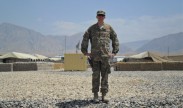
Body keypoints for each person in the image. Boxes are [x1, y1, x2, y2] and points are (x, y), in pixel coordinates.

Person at [81, 10, 119, 103]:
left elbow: (115, 39)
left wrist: (114, 52)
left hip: (105, 56)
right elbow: (85, 38)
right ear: (97, 16)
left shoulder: (109, 28)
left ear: (104, 17)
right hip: (95, 57)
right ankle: (95, 95)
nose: (101, 17)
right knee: (95, 76)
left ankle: (104, 95)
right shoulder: (92, 28)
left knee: (105, 76)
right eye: (99, 15)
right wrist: (85, 52)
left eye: (102, 15)